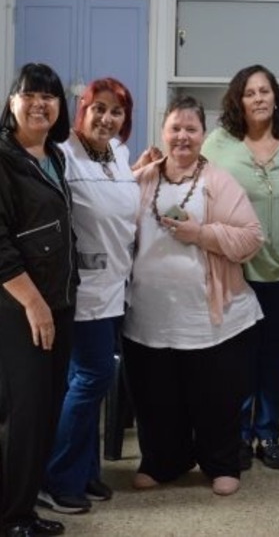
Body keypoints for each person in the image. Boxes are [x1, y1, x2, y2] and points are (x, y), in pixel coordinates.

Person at [123, 95, 263, 496]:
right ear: (163, 132)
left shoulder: (217, 180)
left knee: (214, 395)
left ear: (204, 135)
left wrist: (201, 234)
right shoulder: (144, 178)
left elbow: (251, 238)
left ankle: (220, 461)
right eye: (175, 128)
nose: (183, 136)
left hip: (209, 316)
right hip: (149, 315)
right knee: (156, 395)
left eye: (191, 129)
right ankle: (163, 460)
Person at [39, 79, 140, 515]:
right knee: (89, 379)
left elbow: (120, 201)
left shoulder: (118, 153)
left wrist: (145, 169)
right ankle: (55, 478)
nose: (107, 118)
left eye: (116, 111)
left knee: (92, 382)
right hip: (83, 290)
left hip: (117, 286)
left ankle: (83, 472)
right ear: (79, 110)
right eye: (97, 108)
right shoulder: (61, 155)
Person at [202, 65, 279, 471]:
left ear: (276, 97)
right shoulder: (218, 144)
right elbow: (190, 183)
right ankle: (238, 435)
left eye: (265, 91)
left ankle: (268, 434)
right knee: (239, 357)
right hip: (236, 268)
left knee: (276, 355)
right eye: (250, 92)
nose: (259, 98)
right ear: (237, 101)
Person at [0, 63, 77, 537]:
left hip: (58, 302)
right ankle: (12, 519)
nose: (40, 103)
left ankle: (23, 509)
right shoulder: (3, 157)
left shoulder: (54, 157)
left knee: (46, 408)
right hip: (19, 308)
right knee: (23, 414)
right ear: (12, 102)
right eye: (30, 94)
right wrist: (32, 302)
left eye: (50, 96)